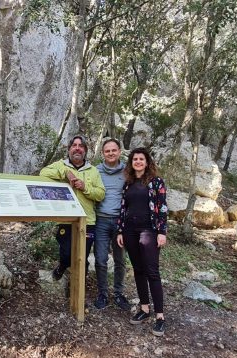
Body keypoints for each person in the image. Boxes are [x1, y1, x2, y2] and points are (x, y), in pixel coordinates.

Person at [116, 147, 168, 337]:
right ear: (131, 163)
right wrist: (120, 230)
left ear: (147, 162)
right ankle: (145, 309)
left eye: (141, 159)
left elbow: (162, 207)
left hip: (149, 231)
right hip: (130, 231)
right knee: (138, 270)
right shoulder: (128, 184)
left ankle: (160, 317)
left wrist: (162, 231)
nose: (138, 162)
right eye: (135, 159)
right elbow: (123, 208)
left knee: (152, 271)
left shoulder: (156, 182)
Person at [40, 135, 105, 282]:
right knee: (67, 253)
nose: (77, 148)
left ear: (85, 150)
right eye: (74, 145)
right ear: (69, 149)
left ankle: (76, 289)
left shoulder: (93, 171)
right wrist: (65, 173)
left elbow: (101, 194)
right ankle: (63, 265)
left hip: (87, 221)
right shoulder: (60, 164)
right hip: (66, 219)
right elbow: (43, 172)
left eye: (81, 146)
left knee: (82, 257)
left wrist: (85, 187)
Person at [93, 139, 131, 310]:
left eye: (113, 150)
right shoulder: (96, 171)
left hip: (120, 222)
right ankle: (102, 293)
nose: (110, 153)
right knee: (100, 259)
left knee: (120, 259)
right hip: (100, 220)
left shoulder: (127, 171)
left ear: (119, 151)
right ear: (102, 153)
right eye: (107, 151)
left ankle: (118, 293)